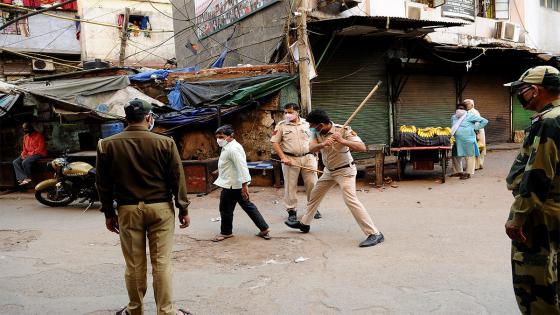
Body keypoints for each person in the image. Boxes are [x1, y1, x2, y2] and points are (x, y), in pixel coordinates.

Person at [95, 99, 191, 315]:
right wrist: (183, 208)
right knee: (162, 263)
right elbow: (177, 178)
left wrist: (109, 214)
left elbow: (102, 184)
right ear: (149, 118)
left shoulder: (106, 144)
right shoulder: (165, 142)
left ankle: (135, 310)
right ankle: (166, 311)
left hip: (128, 210)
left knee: (135, 265)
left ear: (126, 119)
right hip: (160, 209)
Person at [503, 65, 560, 314]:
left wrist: (518, 218)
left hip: (542, 214)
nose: (520, 95)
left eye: (522, 90)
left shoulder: (549, 122)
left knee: (535, 279)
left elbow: (537, 175)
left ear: (535, 91)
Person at [284, 109, 384, 248]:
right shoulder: (315, 132)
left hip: (345, 171)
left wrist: (342, 140)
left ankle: (374, 233)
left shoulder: (344, 130)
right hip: (328, 172)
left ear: (320, 125)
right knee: (314, 195)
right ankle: (304, 224)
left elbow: (362, 147)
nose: (312, 128)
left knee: (350, 200)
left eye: (313, 125)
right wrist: (323, 144)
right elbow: (311, 148)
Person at [213, 124, 271, 242]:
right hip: (233, 182)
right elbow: (231, 164)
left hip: (232, 184)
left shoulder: (232, 149)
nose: (219, 139)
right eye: (217, 137)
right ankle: (264, 228)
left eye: (221, 136)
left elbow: (242, 167)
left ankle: (226, 232)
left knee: (225, 208)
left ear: (230, 136)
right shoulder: (230, 146)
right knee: (248, 206)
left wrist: (245, 186)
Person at [271, 103, 321, 222]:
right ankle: (291, 211)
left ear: (297, 112)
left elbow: (316, 140)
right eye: (285, 112)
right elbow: (275, 142)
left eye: (290, 112)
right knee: (290, 186)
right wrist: (283, 157)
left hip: (309, 158)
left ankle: (313, 208)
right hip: (290, 159)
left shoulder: (308, 124)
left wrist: (317, 155)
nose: (287, 115)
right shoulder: (281, 125)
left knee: (313, 184)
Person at [450, 103, 488, 180]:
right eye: (458, 108)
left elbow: (484, 121)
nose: (459, 110)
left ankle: (468, 173)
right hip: (457, 140)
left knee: (470, 156)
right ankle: (458, 171)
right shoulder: (454, 117)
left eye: (461, 109)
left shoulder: (470, 116)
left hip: (469, 140)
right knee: (455, 156)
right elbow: (453, 127)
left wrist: (476, 128)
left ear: (466, 110)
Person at [464, 99, 486, 170]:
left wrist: (477, 133)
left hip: (476, 132)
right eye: (465, 104)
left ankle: (475, 166)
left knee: (475, 149)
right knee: (479, 148)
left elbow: (477, 123)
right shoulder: (473, 111)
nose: (466, 105)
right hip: (478, 131)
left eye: (467, 104)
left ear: (472, 105)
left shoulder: (472, 112)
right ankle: (479, 164)